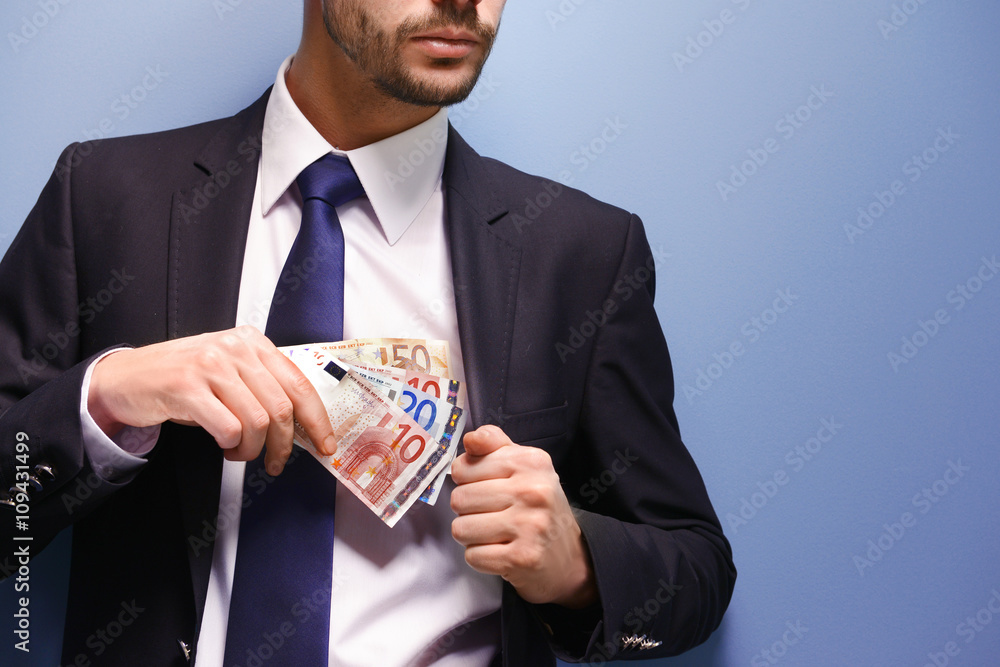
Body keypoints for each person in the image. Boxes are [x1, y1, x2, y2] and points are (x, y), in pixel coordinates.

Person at [0, 1, 736, 664]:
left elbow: (697, 572)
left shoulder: (581, 252)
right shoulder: (102, 194)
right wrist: (105, 397)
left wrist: (575, 565)